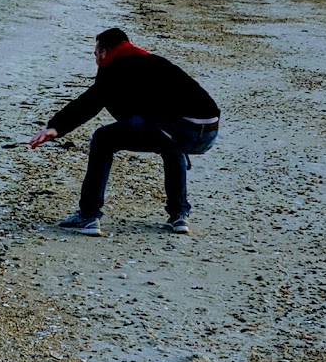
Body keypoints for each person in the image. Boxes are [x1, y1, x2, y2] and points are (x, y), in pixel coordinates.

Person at [29, 27, 219, 236]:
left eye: (95, 54)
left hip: (181, 128)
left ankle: (88, 216)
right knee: (167, 139)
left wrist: (55, 127)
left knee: (103, 139)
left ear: (103, 52)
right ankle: (179, 215)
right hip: (208, 131)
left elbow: (90, 102)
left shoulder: (114, 67)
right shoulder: (154, 62)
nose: (96, 60)